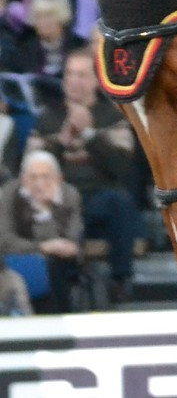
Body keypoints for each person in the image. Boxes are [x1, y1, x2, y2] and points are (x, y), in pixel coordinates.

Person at [27, 47, 137, 304]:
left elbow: (122, 168)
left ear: (97, 81)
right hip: (59, 202)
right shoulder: (48, 118)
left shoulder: (112, 116)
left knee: (120, 202)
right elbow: (30, 167)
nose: (74, 81)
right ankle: (59, 292)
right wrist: (59, 143)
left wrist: (89, 135)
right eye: (69, 74)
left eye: (81, 75)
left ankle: (121, 282)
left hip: (97, 199)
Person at [0, 149, 82, 312]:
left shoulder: (69, 195)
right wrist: (43, 247)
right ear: (23, 180)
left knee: (54, 266)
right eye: (33, 177)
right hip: (19, 256)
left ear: (59, 178)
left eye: (46, 177)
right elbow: (4, 240)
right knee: (44, 265)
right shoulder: (9, 194)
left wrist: (46, 210)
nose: (39, 184)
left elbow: (73, 239)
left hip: (61, 261)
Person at [12, 0, 85, 77]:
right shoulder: (22, 47)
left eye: (49, 15)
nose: (43, 21)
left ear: (62, 15)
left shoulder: (79, 46)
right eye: (38, 16)